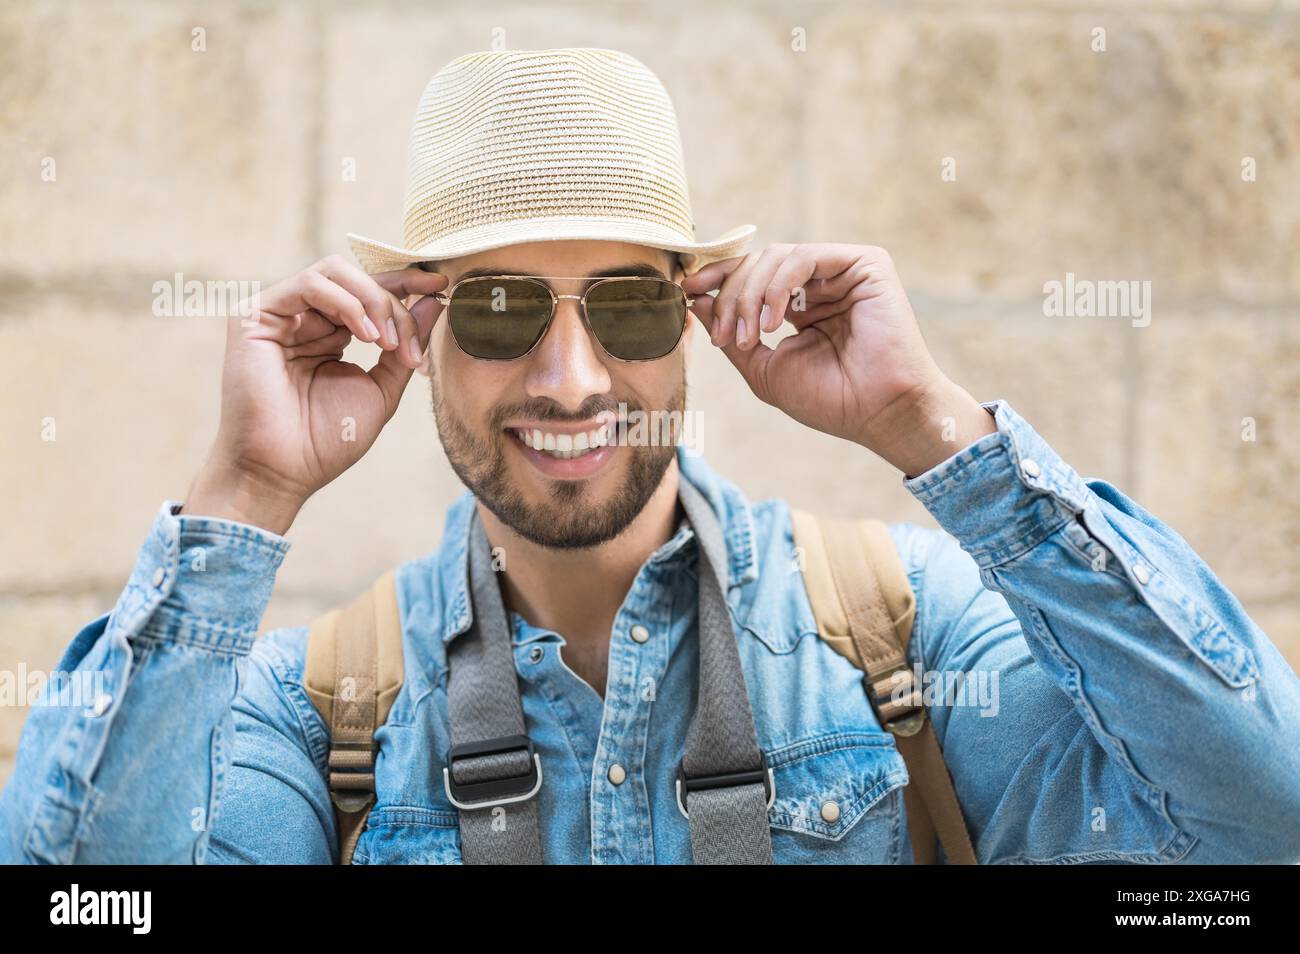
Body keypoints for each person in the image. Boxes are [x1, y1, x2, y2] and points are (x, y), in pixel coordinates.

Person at [2, 48, 1298, 865]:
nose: (571, 377)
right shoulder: (321, 711)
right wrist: (247, 496)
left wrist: (935, 429)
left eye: (624, 304)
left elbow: (1256, 824)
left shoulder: (907, 641)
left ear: (692, 319)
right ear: (416, 333)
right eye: (504, 308)